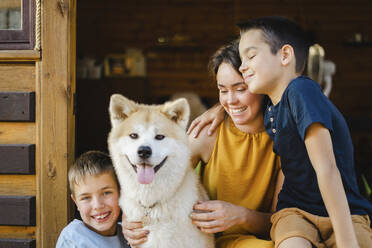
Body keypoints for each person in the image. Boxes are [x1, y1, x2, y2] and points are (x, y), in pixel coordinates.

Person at [188, 16, 372, 248]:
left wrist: (347, 243)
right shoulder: (264, 115)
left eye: (241, 87)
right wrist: (219, 109)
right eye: (222, 90)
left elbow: (326, 169)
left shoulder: (293, 104)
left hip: (325, 219)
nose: (244, 67)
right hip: (287, 219)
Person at [121, 41, 284, 248]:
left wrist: (241, 216)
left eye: (240, 88)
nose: (231, 100)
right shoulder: (208, 133)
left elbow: (280, 221)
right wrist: (129, 218)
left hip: (267, 240)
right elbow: (149, 178)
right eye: (222, 90)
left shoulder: (283, 139)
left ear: (262, 85)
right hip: (210, 241)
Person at [56, 151, 130, 248]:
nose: (98, 205)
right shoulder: (73, 239)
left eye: (106, 193)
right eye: (86, 198)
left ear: (121, 193)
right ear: (76, 202)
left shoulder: (127, 234)